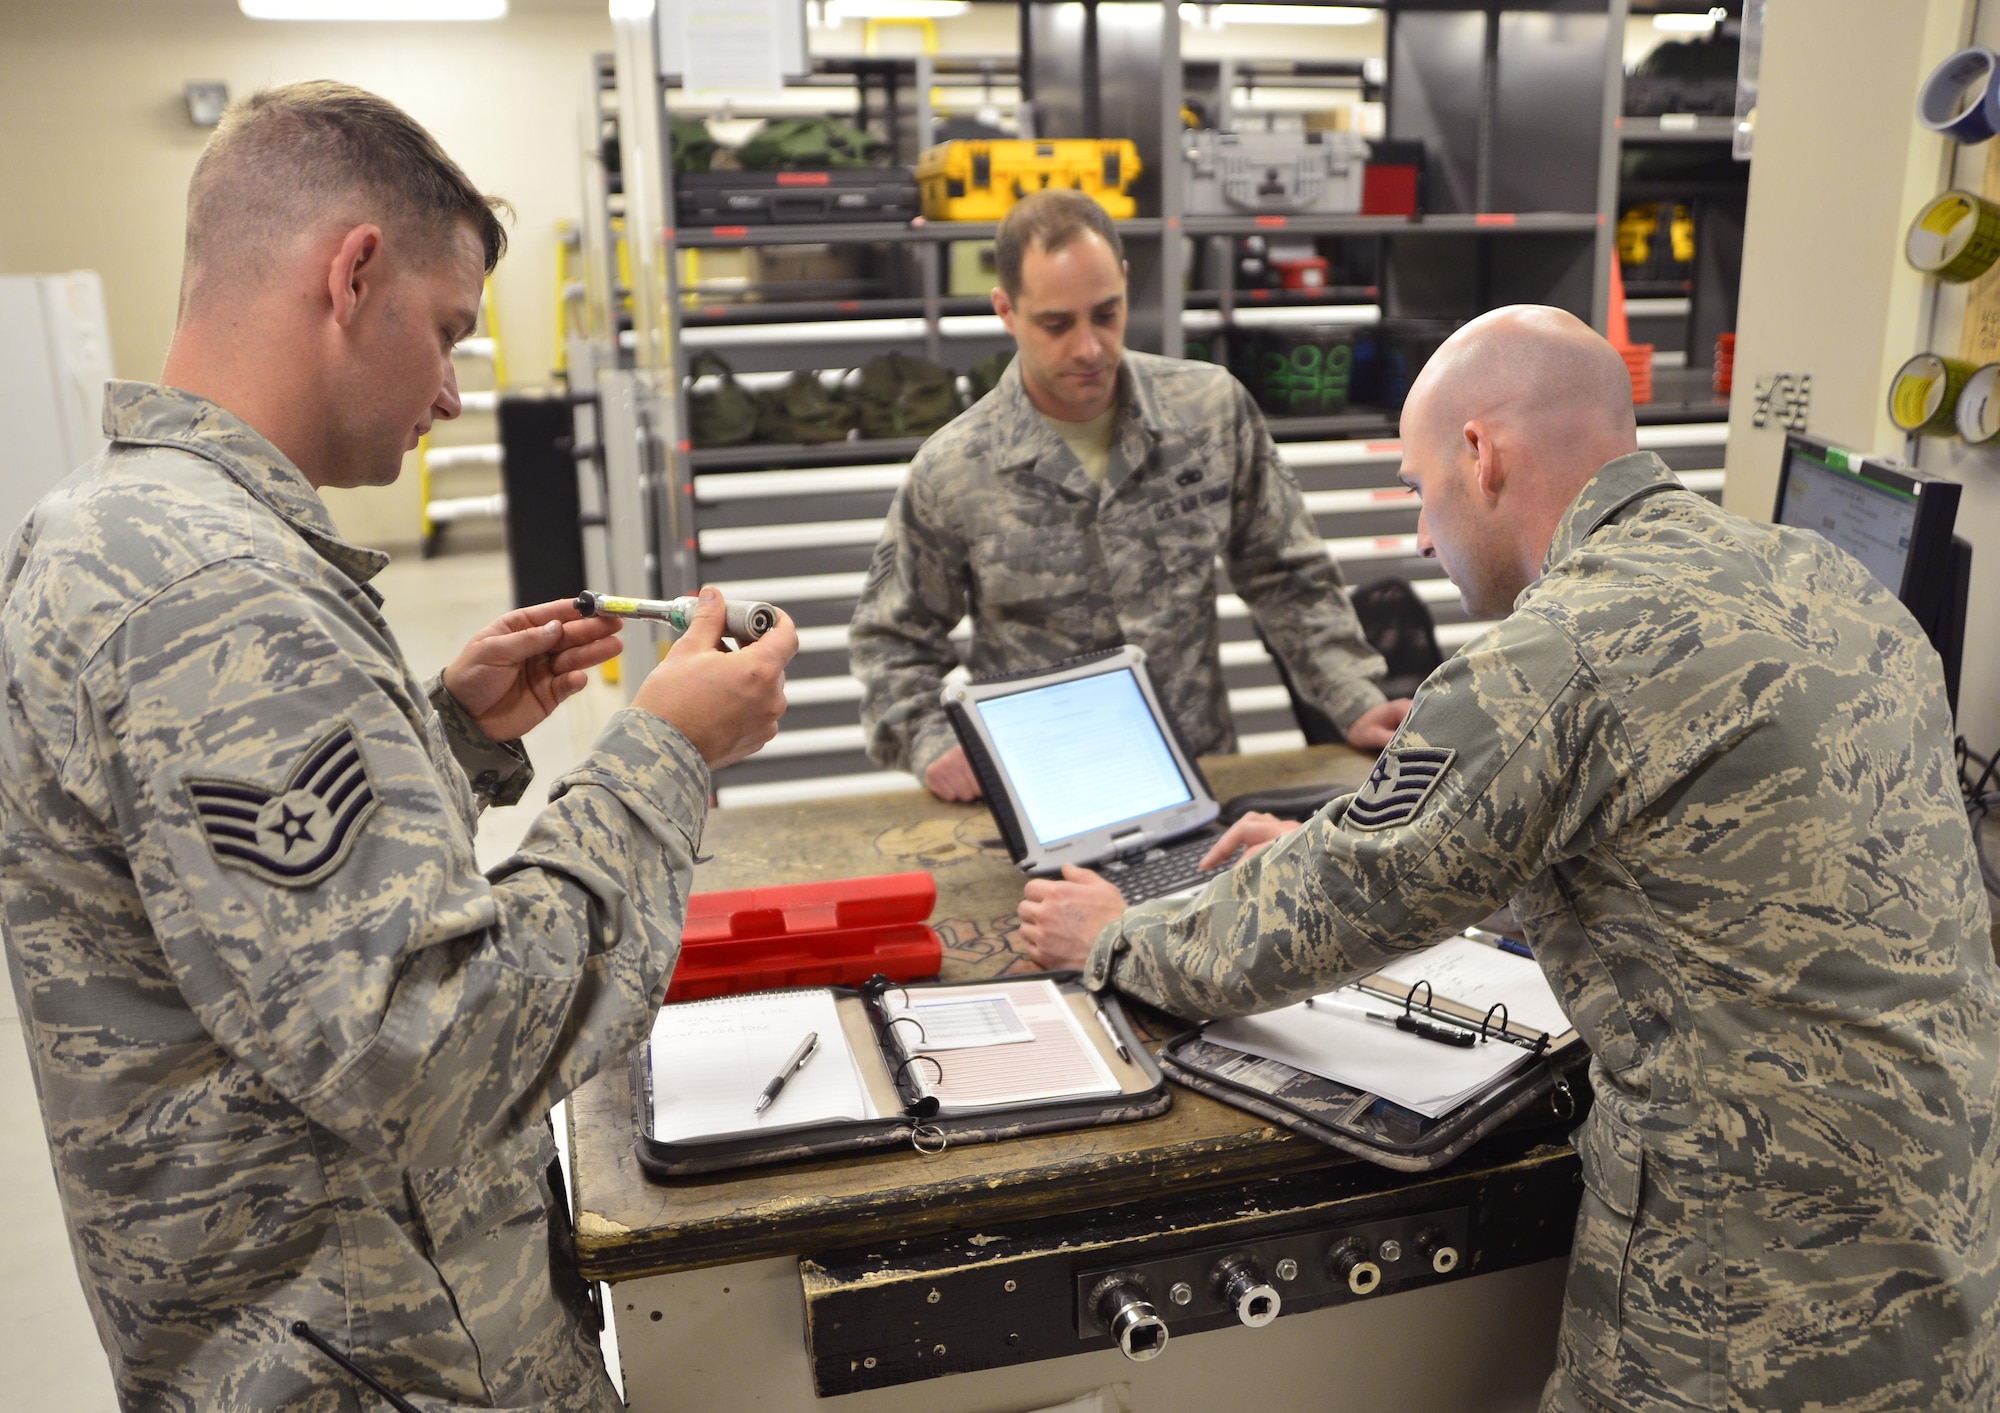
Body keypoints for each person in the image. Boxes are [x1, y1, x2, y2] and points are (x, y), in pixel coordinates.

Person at [1016, 305, 2000, 1412]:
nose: (1423, 535)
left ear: (1478, 456)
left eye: (1413, 484)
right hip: (1947, 1265)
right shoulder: (1828, 581)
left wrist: (1117, 936)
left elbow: (1336, 908)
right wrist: (1355, 838)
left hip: (1746, 1308)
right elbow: (1698, 861)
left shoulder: (1560, 650)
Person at [0, 83, 796, 1412]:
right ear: (352, 272)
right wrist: (665, 753)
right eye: (444, 335)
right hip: (380, 1363)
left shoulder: (121, 526)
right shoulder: (214, 593)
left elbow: (244, 915)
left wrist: (448, 737)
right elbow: (433, 1052)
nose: (445, 395)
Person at [848, 188, 1410, 803]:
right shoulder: (954, 467)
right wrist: (931, 743)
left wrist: (1353, 697)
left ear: (1123, 281)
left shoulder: (1208, 413)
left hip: (1198, 778)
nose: (1088, 348)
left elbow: (1288, 577)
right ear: (1006, 310)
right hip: (1041, 795)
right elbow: (892, 639)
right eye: (1056, 324)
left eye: (1106, 313)